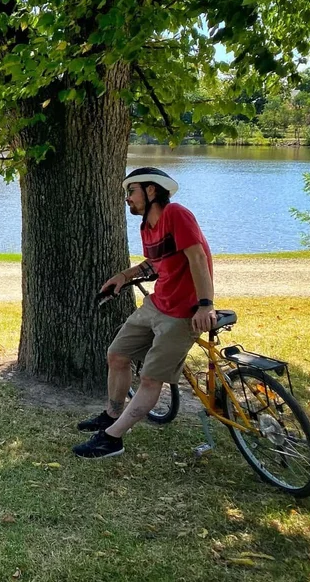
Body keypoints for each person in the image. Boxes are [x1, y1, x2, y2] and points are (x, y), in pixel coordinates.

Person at [73, 167, 216, 459]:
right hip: (157, 303)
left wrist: (205, 304)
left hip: (182, 312)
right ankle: (112, 415)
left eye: (131, 191)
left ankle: (112, 439)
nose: (127, 199)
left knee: (151, 379)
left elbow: (198, 257)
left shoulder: (176, 214)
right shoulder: (146, 227)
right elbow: (154, 264)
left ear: (151, 191)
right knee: (117, 354)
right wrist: (123, 277)